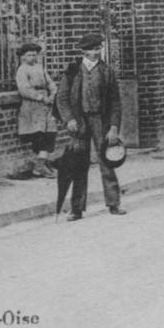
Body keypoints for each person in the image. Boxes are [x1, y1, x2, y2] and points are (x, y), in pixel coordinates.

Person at [53, 32, 126, 220]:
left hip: (100, 121)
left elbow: (115, 102)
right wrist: (69, 119)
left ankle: (114, 203)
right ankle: (76, 208)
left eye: (97, 48)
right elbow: (61, 98)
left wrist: (114, 127)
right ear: (83, 50)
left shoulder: (107, 71)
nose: (95, 52)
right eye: (91, 49)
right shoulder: (72, 70)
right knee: (78, 163)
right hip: (79, 122)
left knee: (107, 160)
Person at [15, 43, 57, 178]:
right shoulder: (22, 70)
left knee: (49, 133)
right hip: (32, 106)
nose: (32, 57)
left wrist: (52, 95)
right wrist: (40, 97)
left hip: (46, 105)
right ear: (23, 57)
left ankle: (42, 163)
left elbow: (50, 83)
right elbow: (25, 89)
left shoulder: (40, 68)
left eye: (34, 55)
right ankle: (39, 166)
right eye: (29, 55)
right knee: (38, 135)